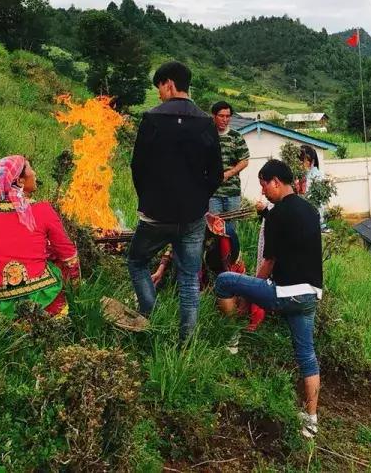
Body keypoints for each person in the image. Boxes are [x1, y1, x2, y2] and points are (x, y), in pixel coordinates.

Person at [215, 159, 323, 439]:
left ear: (276, 181)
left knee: (224, 281)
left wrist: (249, 294)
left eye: (265, 185)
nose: (263, 193)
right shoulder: (311, 210)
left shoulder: (277, 214)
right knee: (307, 356)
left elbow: (268, 262)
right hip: (310, 295)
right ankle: (310, 420)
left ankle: (232, 339)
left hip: (284, 293)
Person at [128, 61, 223, 343]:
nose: (159, 94)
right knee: (189, 278)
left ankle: (151, 318)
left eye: (159, 87)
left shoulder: (152, 119)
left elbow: (138, 167)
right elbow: (216, 173)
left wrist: (148, 198)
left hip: (155, 214)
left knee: (136, 261)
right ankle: (186, 342)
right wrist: (198, 198)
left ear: (169, 83)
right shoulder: (206, 123)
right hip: (192, 217)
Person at [0, 156, 80, 318]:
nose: (35, 173)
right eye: (31, 169)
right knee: (64, 261)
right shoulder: (42, 210)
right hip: (41, 298)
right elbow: (69, 255)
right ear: (20, 181)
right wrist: (76, 284)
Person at [208, 101, 249, 239]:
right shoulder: (207, 135)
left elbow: (244, 161)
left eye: (228, 116)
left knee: (231, 233)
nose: (225, 119)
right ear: (214, 116)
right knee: (214, 232)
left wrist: (229, 174)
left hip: (232, 193)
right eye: (221, 116)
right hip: (213, 193)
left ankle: (230, 260)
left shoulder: (236, 136)